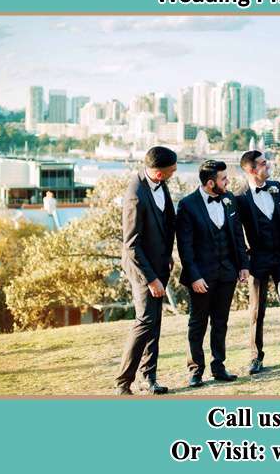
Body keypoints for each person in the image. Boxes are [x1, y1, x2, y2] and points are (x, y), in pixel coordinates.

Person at [176, 160, 250, 387]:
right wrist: (194, 276)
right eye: (223, 179)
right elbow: (185, 246)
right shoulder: (187, 205)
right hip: (201, 277)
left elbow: (238, 235)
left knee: (221, 322)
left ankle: (219, 366)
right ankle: (196, 370)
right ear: (210, 183)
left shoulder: (229, 200)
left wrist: (243, 265)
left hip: (227, 273)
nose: (227, 182)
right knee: (197, 322)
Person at [236, 150, 280, 373]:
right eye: (263, 164)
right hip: (257, 259)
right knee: (258, 310)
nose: (268, 166)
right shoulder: (239, 197)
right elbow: (237, 233)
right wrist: (243, 262)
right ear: (251, 169)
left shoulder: (276, 187)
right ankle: (256, 358)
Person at [115, 146, 177, 395]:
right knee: (145, 322)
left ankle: (148, 377)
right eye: (172, 169)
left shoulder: (161, 184)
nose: (175, 172)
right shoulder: (136, 195)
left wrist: (169, 256)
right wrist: (151, 279)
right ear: (159, 173)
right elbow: (131, 245)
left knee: (155, 322)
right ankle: (123, 382)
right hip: (142, 268)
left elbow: (166, 222)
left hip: (160, 263)